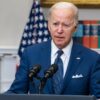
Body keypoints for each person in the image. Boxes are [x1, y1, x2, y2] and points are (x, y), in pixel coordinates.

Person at [5, 2, 100, 99]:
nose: (59, 30)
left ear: (75, 28)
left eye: (66, 25)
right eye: (55, 24)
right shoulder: (31, 54)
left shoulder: (92, 58)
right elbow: (16, 92)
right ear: (49, 26)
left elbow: (97, 96)